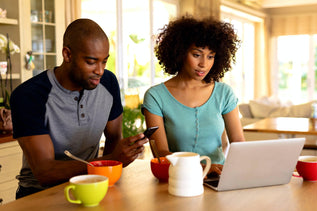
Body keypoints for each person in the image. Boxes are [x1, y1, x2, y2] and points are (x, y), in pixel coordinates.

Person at [10, 18, 148, 199]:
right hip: (39, 195)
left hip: (91, 187)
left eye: (104, 61)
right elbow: (45, 172)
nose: (100, 70)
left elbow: (114, 137)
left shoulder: (108, 82)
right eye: (91, 62)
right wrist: (108, 163)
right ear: (67, 55)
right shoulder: (29, 95)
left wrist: (108, 172)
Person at [142, 16, 245, 176]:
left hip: (219, 178)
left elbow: (239, 143)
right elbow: (161, 153)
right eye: (197, 55)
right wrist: (202, 167)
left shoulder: (224, 93)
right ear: (180, 52)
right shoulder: (156, 96)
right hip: (178, 179)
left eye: (210, 56)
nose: (204, 63)